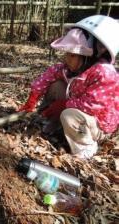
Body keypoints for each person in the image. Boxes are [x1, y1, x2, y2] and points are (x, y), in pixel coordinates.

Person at [17, 15, 119, 159]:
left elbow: (93, 104)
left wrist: (64, 105)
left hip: (97, 123)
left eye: (72, 55)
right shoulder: (72, 68)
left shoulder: (104, 73)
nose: (66, 58)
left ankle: (85, 146)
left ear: (91, 55)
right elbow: (50, 74)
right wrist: (34, 96)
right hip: (77, 109)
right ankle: (53, 122)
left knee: (69, 115)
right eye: (67, 54)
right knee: (56, 86)